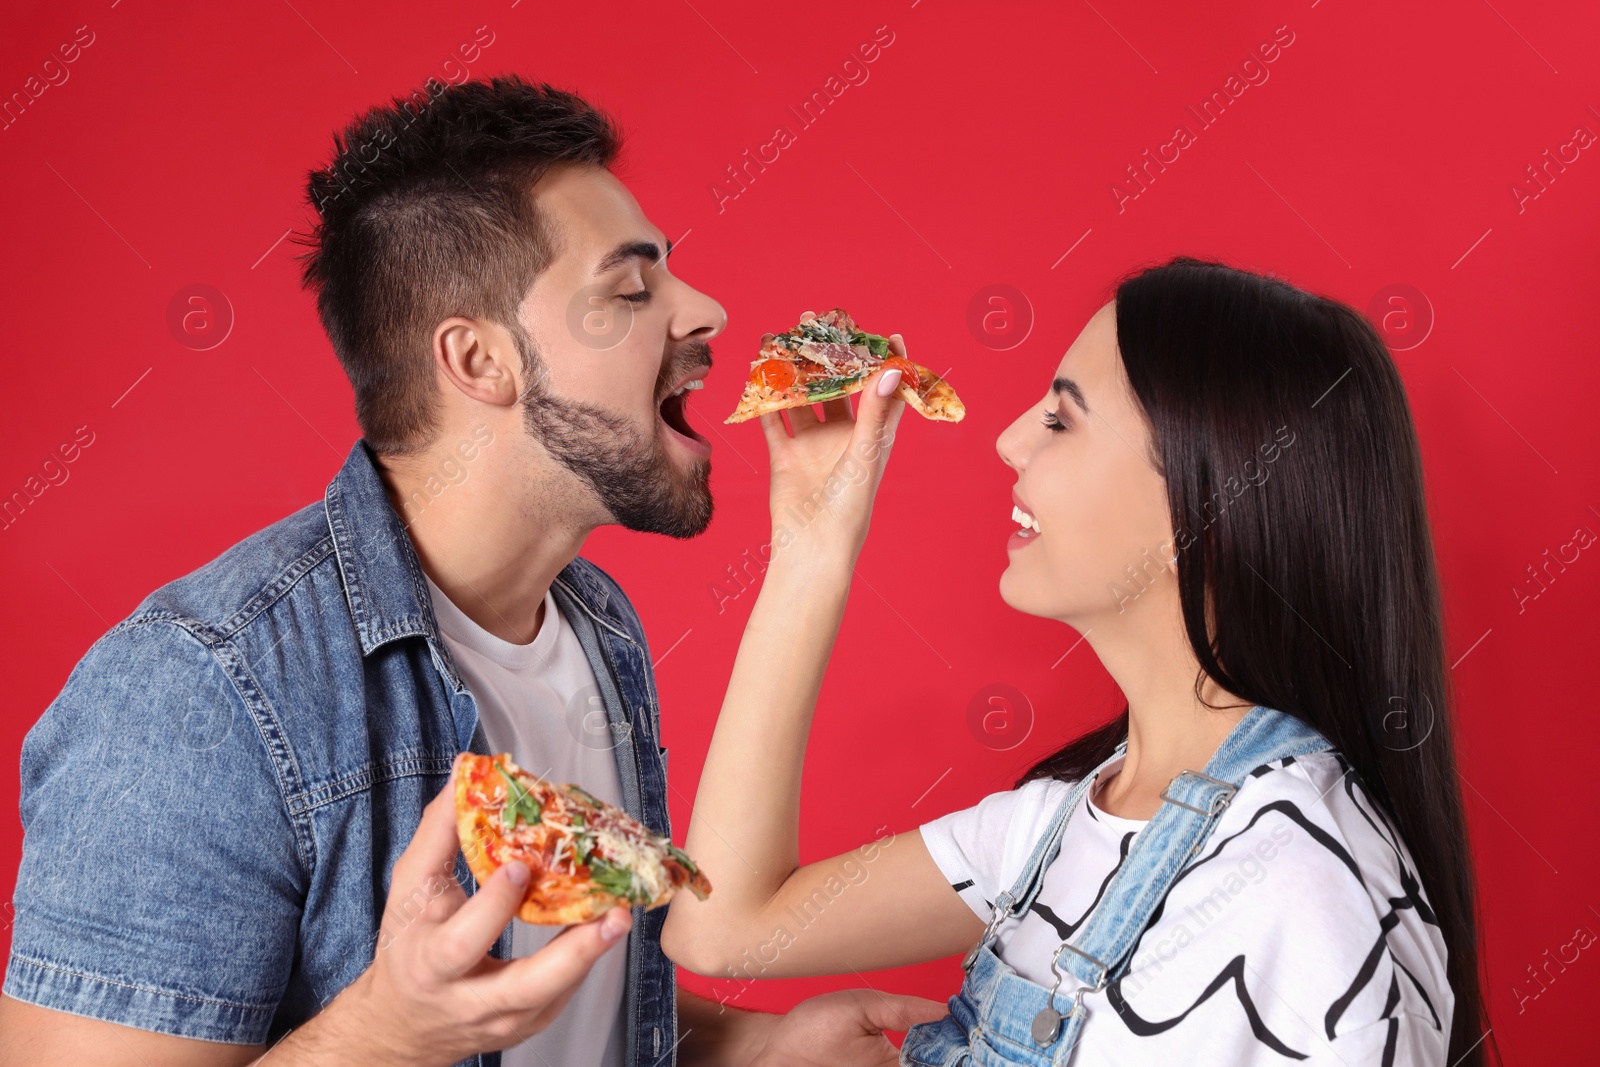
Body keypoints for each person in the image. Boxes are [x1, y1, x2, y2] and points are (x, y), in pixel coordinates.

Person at [0, 75, 941, 1067]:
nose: (704, 310)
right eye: (631, 288)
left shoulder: (593, 623)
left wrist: (753, 1045)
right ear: (480, 361)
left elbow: (550, 999)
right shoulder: (199, 691)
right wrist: (383, 1035)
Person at [662, 258, 1496, 1066]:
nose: (1008, 440)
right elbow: (723, 925)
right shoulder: (1059, 826)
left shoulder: (1303, 890)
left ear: (1200, 507)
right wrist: (810, 548)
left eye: (1061, 419)